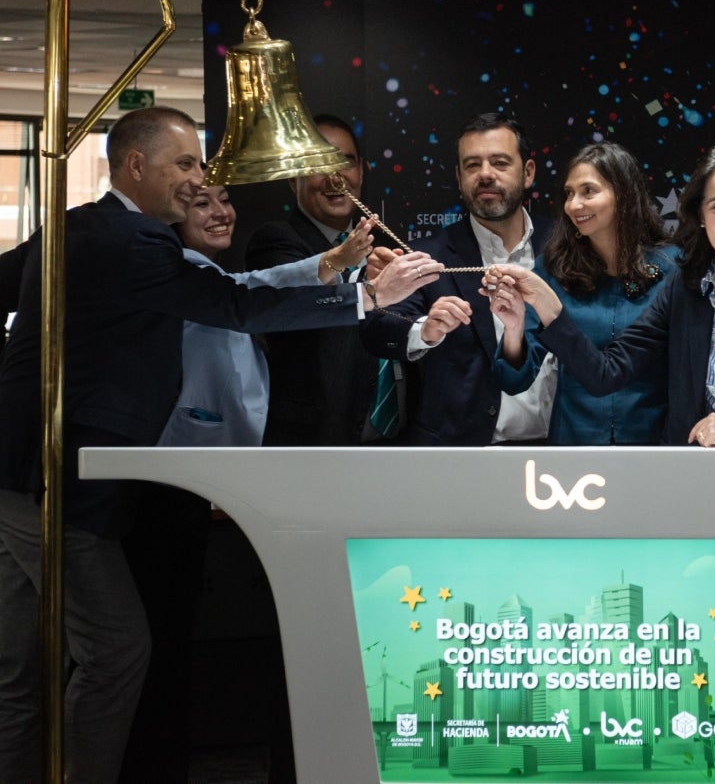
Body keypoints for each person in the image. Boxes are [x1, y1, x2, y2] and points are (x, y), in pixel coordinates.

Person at [0, 106, 439, 784]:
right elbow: (233, 302)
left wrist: (332, 267)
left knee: (23, 671)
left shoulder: (73, 229)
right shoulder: (136, 241)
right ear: (135, 165)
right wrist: (362, 296)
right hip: (53, 483)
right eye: (185, 165)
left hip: (19, 473)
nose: (198, 182)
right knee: (116, 652)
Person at [118, 184, 375, 783]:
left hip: (202, 486)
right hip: (171, 484)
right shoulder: (179, 273)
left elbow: (249, 293)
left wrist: (336, 264)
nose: (220, 211)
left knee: (172, 646)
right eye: (199, 200)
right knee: (154, 648)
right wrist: (354, 285)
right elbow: (248, 306)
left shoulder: (205, 274)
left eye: (224, 200)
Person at [484, 142, 715, 447]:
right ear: (699, 215)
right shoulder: (685, 289)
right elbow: (605, 374)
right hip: (689, 482)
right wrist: (549, 309)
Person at [365, 111, 554, 446]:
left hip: (565, 454)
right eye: (472, 165)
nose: (485, 175)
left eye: (499, 162)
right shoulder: (428, 255)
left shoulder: (566, 248)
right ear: (458, 176)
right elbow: (378, 333)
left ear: (528, 173)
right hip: (460, 455)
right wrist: (425, 331)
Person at [493, 141, 678, 444]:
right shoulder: (553, 270)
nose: (573, 205)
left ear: (624, 194)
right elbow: (514, 379)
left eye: (588, 191)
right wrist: (512, 330)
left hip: (655, 444)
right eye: (569, 194)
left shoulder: (673, 268)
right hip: (574, 447)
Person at [246, 114, 406, 446]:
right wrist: (342, 263)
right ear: (293, 178)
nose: (335, 178)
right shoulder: (275, 241)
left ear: (361, 170)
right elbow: (299, 304)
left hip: (398, 439)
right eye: (318, 164)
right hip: (314, 440)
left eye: (344, 162)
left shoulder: (387, 243)